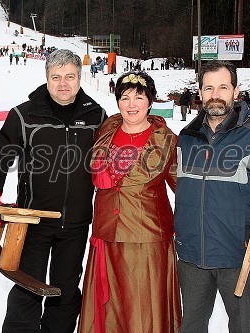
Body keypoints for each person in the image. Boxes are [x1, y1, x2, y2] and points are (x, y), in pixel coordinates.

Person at [0, 49, 107, 333]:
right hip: (32, 223)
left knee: (64, 293)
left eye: (70, 76)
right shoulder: (24, 115)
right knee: (27, 290)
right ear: (47, 79)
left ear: (79, 77)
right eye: (56, 77)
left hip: (75, 224)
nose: (63, 83)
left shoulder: (96, 115)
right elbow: (1, 156)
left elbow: (110, 161)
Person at [174, 60, 250, 333]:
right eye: (208, 88)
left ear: (235, 91)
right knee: (191, 327)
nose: (215, 94)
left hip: (239, 257)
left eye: (222, 87)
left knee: (242, 328)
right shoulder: (187, 138)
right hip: (192, 257)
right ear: (200, 92)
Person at [79, 71, 182, 333]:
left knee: (142, 314)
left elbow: (185, 189)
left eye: (139, 97)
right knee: (110, 312)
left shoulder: (167, 140)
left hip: (146, 241)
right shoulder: (106, 131)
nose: (132, 104)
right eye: (125, 97)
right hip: (107, 235)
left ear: (150, 101)